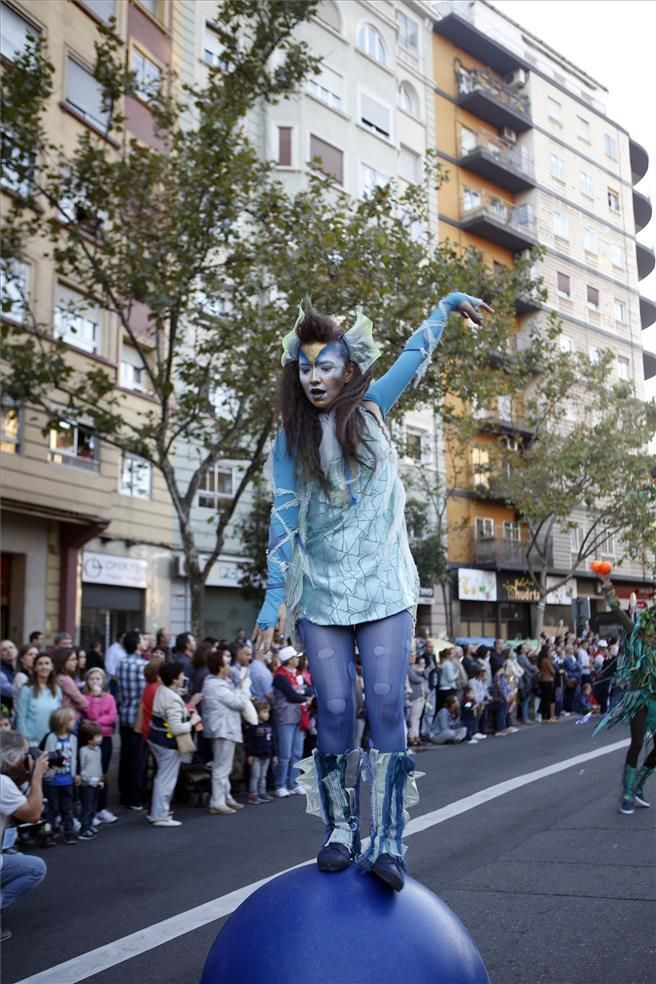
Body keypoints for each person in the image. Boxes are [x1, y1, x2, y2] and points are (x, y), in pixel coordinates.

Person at [253, 291, 491, 890]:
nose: (313, 376)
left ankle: (387, 839)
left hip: (385, 583)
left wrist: (443, 306)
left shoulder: (376, 409)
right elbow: (283, 517)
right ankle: (339, 830)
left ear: (348, 369)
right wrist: (271, 595)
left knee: (385, 702)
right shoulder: (289, 439)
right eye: (305, 366)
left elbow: (416, 352)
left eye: (325, 365)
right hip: (325, 590)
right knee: (334, 707)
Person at [594, 575, 656, 814]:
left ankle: (638, 785)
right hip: (640, 698)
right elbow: (619, 613)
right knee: (638, 743)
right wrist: (609, 589)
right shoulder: (638, 634)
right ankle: (627, 793)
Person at [0, 731, 48, 940]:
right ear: (11, 758)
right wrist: (37, 776)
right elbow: (32, 814)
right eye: (22, 755)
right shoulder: (2, 783)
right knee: (35, 868)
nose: (25, 759)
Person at [147, 661, 201, 828]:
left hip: (155, 738)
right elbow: (177, 728)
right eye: (181, 675)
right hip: (168, 742)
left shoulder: (162, 690)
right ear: (174, 679)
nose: (184, 677)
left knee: (161, 777)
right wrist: (193, 721)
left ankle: (158, 812)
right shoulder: (172, 699)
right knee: (166, 779)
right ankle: (161, 815)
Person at [202, 649, 250, 816]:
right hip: (223, 729)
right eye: (226, 663)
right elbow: (239, 703)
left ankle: (226, 797)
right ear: (220, 667)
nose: (229, 666)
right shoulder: (216, 685)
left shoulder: (217, 683)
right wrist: (244, 689)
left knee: (224, 766)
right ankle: (218, 801)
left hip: (223, 729)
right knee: (221, 767)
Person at [272, 645, 313, 797]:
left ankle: (293, 783)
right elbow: (291, 696)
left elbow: (311, 689)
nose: (298, 659)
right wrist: (303, 694)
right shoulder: (279, 677)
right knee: (285, 754)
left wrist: (302, 692)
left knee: (297, 753)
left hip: (298, 716)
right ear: (288, 660)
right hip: (285, 718)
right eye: (295, 657)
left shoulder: (297, 674)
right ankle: (280, 784)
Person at [116, 630, 147, 811]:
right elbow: (145, 694)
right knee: (138, 759)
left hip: (125, 712)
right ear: (136, 644)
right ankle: (135, 798)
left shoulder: (121, 663)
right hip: (138, 717)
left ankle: (124, 794)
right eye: (142, 639)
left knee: (125, 757)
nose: (145, 642)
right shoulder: (142, 665)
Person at [83, 668, 118, 824]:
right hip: (90, 741)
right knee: (90, 773)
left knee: (104, 773)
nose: (95, 682)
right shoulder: (85, 698)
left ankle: (101, 808)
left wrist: (95, 723)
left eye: (98, 679)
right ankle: (90, 809)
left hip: (106, 738)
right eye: (92, 679)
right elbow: (90, 714)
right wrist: (95, 699)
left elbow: (111, 717)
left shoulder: (110, 698)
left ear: (103, 681)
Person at [42, 707, 79, 845]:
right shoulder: (51, 738)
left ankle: (69, 832)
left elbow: (74, 758)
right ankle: (48, 833)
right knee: (52, 809)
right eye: (71, 720)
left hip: (67, 780)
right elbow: (46, 757)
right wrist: (48, 774)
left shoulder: (73, 738)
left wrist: (75, 774)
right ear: (63, 722)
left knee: (68, 808)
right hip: (53, 781)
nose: (74, 722)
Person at [13, 654, 62, 744]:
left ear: (52, 667)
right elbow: (21, 717)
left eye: (47, 663)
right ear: (35, 668)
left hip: (50, 741)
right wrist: (25, 739)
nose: (44, 666)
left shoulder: (57, 690)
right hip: (30, 741)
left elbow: (58, 717)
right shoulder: (26, 689)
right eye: (40, 664)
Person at [244, 701, 276, 804]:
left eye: (268, 712)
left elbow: (272, 741)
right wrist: (249, 755)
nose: (267, 714)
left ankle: (262, 792)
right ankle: (253, 794)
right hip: (256, 755)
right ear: (257, 713)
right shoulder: (253, 727)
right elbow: (249, 742)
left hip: (266, 754)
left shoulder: (269, 726)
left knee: (263, 775)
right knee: (255, 775)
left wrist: (275, 754)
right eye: (264, 712)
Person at [77, 720, 104, 839]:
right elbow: (81, 769)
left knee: (93, 807)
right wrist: (88, 779)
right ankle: (83, 829)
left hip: (97, 782)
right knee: (87, 807)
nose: (101, 737)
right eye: (97, 736)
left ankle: (90, 825)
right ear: (89, 739)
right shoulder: (83, 751)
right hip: (87, 784)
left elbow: (99, 766)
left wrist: (102, 779)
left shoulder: (98, 750)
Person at [53, 648, 88, 721]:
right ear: (63, 661)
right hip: (70, 719)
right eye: (72, 659)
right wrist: (75, 704)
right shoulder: (65, 680)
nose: (76, 662)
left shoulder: (59, 677)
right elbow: (83, 702)